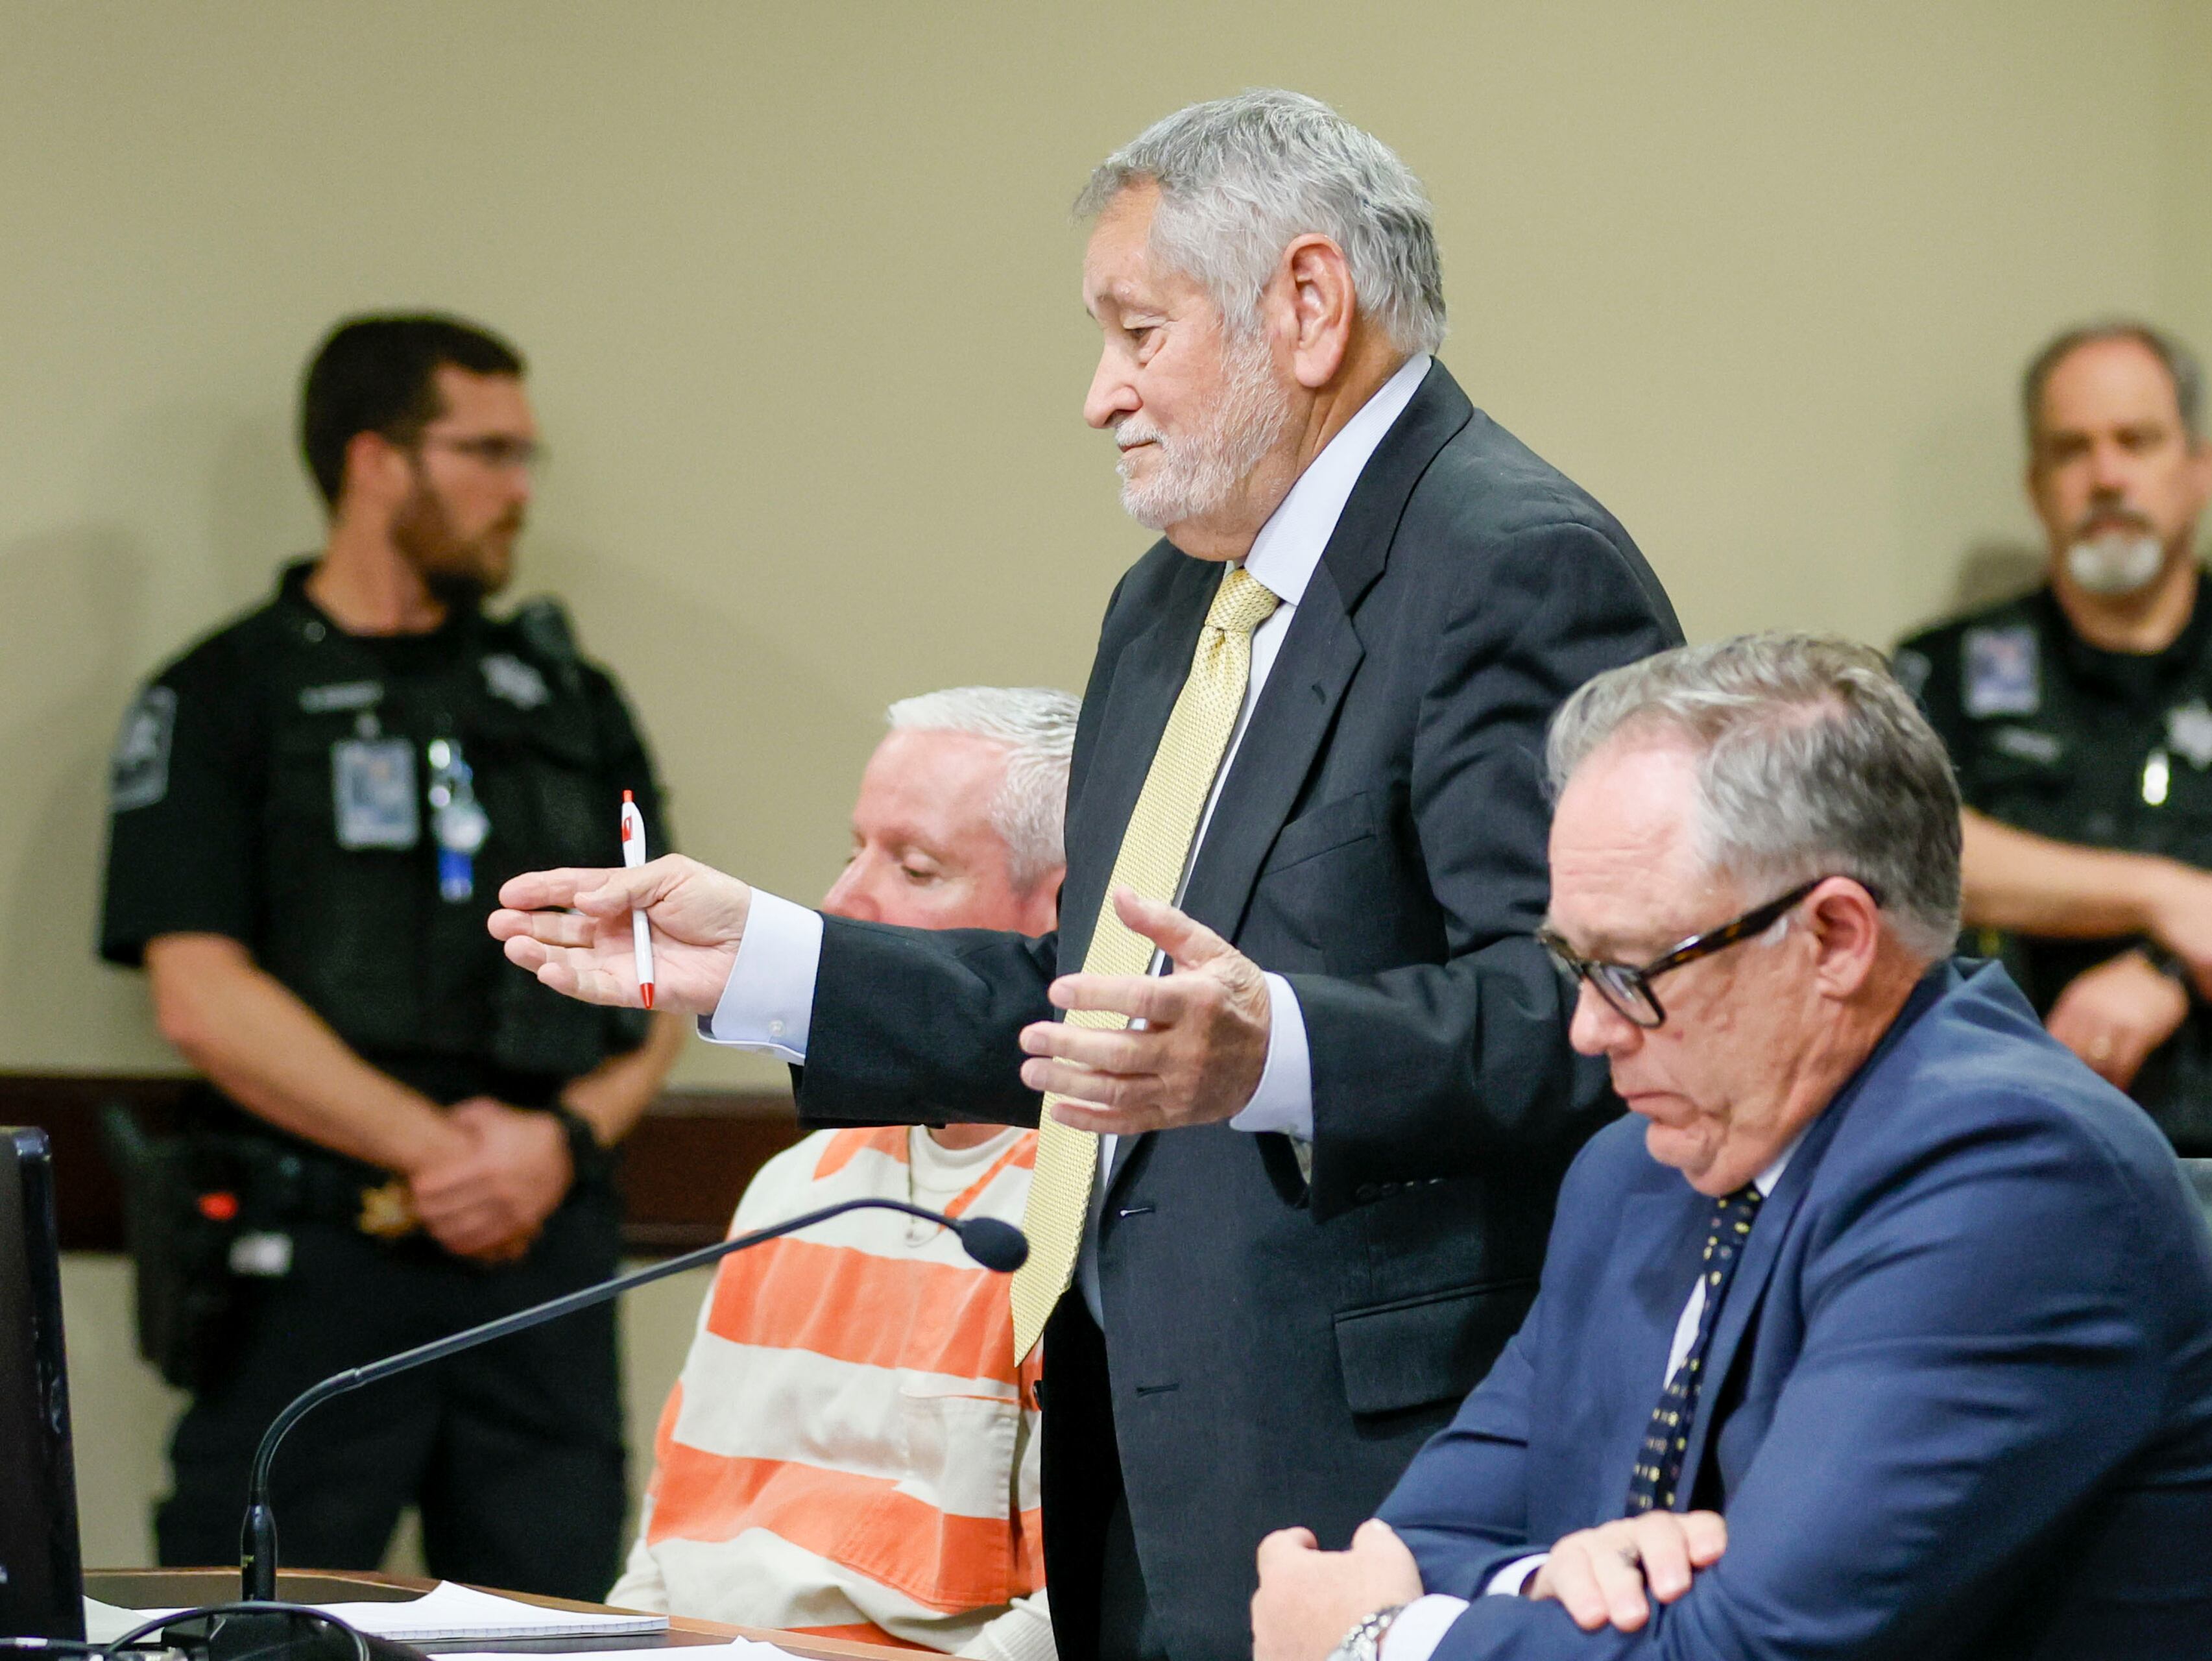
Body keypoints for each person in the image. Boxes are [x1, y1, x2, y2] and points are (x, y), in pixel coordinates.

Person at [492, 91, 1678, 1660]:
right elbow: (1085, 1008)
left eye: (1136, 330)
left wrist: (1282, 1051)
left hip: (1389, 1457)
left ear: (1308, 307)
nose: (1099, 395)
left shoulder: (1511, 563)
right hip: (1139, 1445)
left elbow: (1592, 1001)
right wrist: (771, 963)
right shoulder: (1167, 604)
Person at [1251, 634, 2212, 1661]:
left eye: (1633, 970)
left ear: (1833, 938)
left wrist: (1390, 1643)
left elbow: (1750, 1646)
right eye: (1571, 966)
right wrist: (1543, 1579)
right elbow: (1427, 1538)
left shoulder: (2010, 1173)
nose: (1589, 1028)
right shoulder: (1634, 1170)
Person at [98, 313, 682, 1597]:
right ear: (376, 461)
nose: (520, 490)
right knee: (251, 1620)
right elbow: (198, 996)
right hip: (316, 1254)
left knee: (556, 1623)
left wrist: (550, 1148)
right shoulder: (222, 697)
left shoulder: (570, 703)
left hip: (543, 1251)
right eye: (486, 451)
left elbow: (660, 981)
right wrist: (439, 1155)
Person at [608, 686, 1074, 1660]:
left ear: (1057, 920)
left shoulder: (1102, 1209)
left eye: (914, 867)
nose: (840, 905)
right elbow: (665, 1554)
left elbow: (1076, 1616)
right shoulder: (797, 1184)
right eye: (850, 849)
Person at [1893, 321, 2212, 1161]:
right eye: (2072, 451)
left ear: (2199, 469)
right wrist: (2161, 896)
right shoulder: (1948, 671)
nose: (2106, 476)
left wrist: (2166, 970)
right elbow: (1908, 850)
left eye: (2137, 442)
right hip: (2017, 1158)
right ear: (2037, 485)